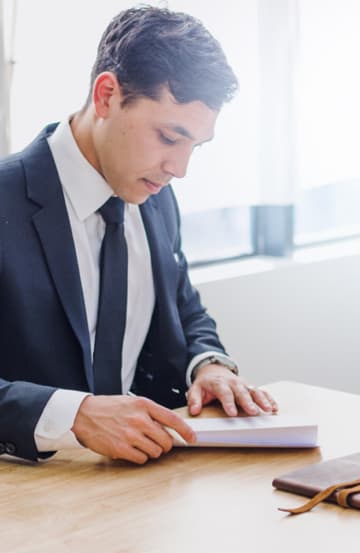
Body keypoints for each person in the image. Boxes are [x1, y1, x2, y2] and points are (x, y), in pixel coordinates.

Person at [0, 7, 277, 465]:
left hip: (145, 490)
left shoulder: (154, 194)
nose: (180, 169)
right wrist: (76, 415)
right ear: (107, 95)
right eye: (170, 137)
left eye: (195, 147)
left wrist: (207, 363)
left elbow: (184, 306)